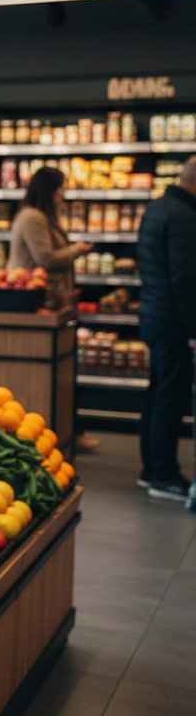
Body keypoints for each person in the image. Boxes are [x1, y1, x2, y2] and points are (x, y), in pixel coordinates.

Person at [8, 168, 100, 452]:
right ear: (49, 190)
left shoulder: (44, 217)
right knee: (54, 372)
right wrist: (77, 250)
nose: (64, 195)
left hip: (54, 304)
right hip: (37, 304)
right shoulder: (33, 217)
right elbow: (45, 258)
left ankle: (69, 430)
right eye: (61, 189)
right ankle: (62, 432)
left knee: (65, 369)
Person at [137, 155, 196, 503]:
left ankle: (150, 470)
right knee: (171, 395)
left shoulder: (157, 207)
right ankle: (164, 474)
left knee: (157, 392)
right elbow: (185, 279)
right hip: (172, 319)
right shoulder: (185, 216)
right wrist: (193, 329)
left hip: (153, 313)